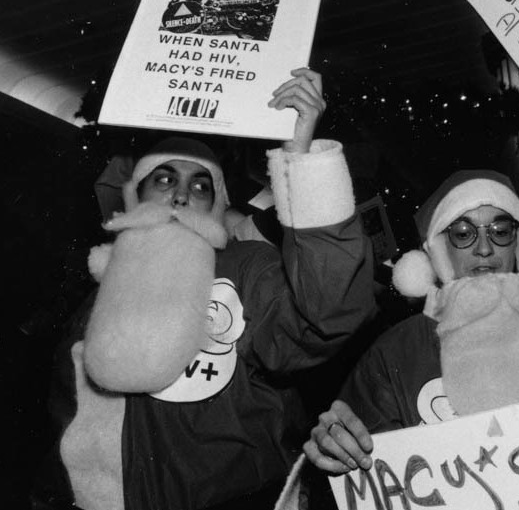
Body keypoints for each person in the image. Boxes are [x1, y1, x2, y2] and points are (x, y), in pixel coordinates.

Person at [36, 69, 376, 510]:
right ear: (134, 197)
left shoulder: (247, 270)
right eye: (163, 180)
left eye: (200, 186)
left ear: (215, 206)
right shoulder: (96, 302)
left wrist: (301, 154)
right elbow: (64, 438)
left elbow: (328, 312)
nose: (180, 196)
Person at [298, 169, 519, 510]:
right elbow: (361, 483)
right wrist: (336, 450)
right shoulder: (397, 352)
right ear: (438, 250)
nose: (484, 248)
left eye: (501, 230)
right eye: (463, 233)